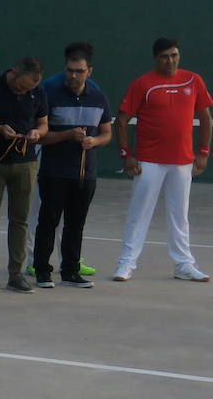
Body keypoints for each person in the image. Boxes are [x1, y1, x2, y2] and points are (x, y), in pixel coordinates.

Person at [113, 37, 213, 281]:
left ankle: (183, 265)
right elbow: (122, 120)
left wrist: (203, 152)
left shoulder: (194, 80)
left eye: (174, 55)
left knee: (180, 215)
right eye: (165, 56)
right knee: (139, 214)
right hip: (148, 161)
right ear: (155, 58)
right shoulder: (142, 84)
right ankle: (126, 264)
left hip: (182, 162)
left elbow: (206, 119)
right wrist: (127, 155)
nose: (170, 60)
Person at [33, 44, 111, 288]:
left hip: (85, 175)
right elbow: (42, 136)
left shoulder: (98, 96)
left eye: (79, 71)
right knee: (48, 222)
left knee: (76, 224)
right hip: (54, 172)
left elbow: (107, 133)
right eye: (70, 70)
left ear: (89, 71)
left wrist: (95, 140)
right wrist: (68, 135)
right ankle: (42, 272)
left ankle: (70, 271)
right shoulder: (50, 93)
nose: (73, 75)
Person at [0, 58, 47, 292]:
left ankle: (16, 274)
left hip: (26, 164)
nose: (23, 91)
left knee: (20, 220)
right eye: (21, 87)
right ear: (13, 72)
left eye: (28, 89)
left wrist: (37, 133)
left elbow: (44, 123)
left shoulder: (38, 91)